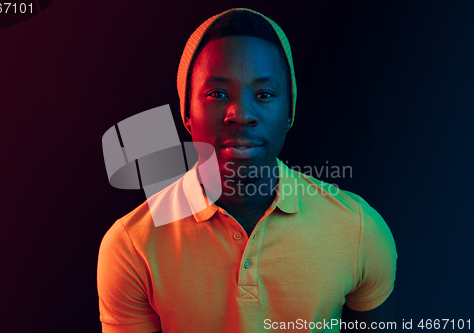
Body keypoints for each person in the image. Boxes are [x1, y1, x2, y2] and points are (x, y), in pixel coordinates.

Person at [97, 8, 398, 333]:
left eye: (264, 94)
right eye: (217, 94)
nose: (240, 114)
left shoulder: (358, 229)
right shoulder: (131, 246)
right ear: (187, 113)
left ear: (289, 113)